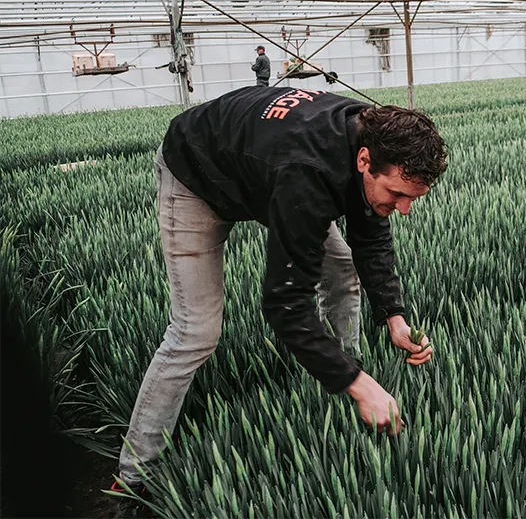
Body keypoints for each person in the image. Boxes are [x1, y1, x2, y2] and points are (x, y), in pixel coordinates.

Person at [113, 86, 447, 494]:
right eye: (397, 194)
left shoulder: (372, 138)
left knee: (342, 269)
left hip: (264, 167)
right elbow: (285, 304)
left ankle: (346, 368)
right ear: (364, 162)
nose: (404, 208)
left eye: (412, 198)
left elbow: (371, 237)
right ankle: (133, 476)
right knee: (195, 333)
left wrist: (394, 318)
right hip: (197, 176)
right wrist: (362, 385)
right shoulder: (306, 174)